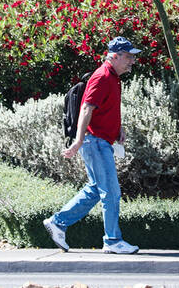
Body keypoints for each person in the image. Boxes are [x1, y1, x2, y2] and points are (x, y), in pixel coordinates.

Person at [42, 36, 141, 254]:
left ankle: (58, 223)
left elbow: (105, 109)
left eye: (132, 57)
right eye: (127, 57)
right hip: (94, 142)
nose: (131, 61)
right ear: (114, 56)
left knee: (96, 190)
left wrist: (118, 129)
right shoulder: (103, 76)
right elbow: (86, 109)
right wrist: (78, 141)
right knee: (112, 192)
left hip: (100, 141)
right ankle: (113, 241)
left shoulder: (114, 77)